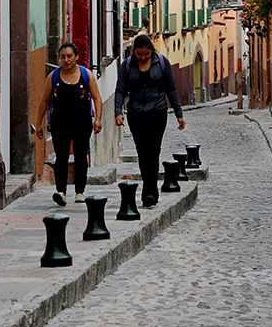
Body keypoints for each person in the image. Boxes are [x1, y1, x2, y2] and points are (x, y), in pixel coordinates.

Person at [114, 34, 185, 207]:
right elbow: (120, 90)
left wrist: (179, 113)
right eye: (139, 55)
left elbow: (171, 88)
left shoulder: (161, 62)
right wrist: (118, 112)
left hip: (157, 112)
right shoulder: (127, 66)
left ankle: (150, 192)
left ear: (151, 51)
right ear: (134, 52)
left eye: (146, 54)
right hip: (136, 113)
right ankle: (149, 187)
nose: (143, 57)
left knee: (153, 151)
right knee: (142, 152)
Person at [35, 42, 103, 206]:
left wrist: (98, 119)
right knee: (61, 156)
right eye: (62, 57)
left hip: (82, 122)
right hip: (60, 123)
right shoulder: (54, 77)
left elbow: (97, 98)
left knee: (80, 155)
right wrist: (39, 124)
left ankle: (80, 191)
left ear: (76, 57)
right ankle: (61, 191)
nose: (66, 60)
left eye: (69, 56)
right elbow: (44, 101)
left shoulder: (86, 75)